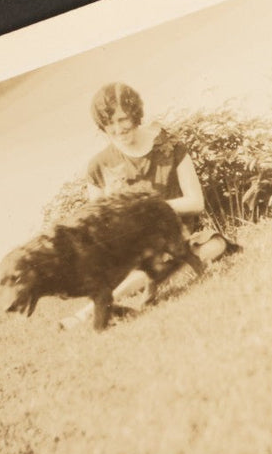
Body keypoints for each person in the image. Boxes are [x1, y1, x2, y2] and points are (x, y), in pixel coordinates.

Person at [60, 82, 235, 329]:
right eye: (110, 123)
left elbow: (196, 202)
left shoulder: (171, 147)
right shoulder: (98, 165)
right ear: (102, 126)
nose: (119, 128)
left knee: (215, 244)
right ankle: (99, 306)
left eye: (123, 119)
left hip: (177, 238)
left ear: (135, 114)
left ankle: (109, 301)